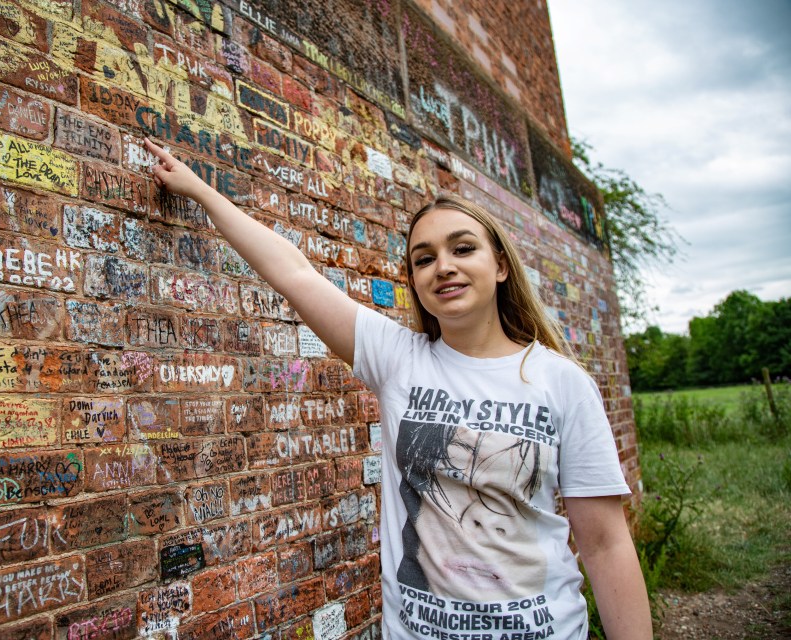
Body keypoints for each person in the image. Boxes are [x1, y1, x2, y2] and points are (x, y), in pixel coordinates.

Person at [143, 139, 652, 639]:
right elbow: (294, 273)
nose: (443, 266)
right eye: (424, 259)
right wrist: (198, 190)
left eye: (463, 248)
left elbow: (606, 544)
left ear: (500, 266)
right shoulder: (399, 360)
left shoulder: (562, 383)